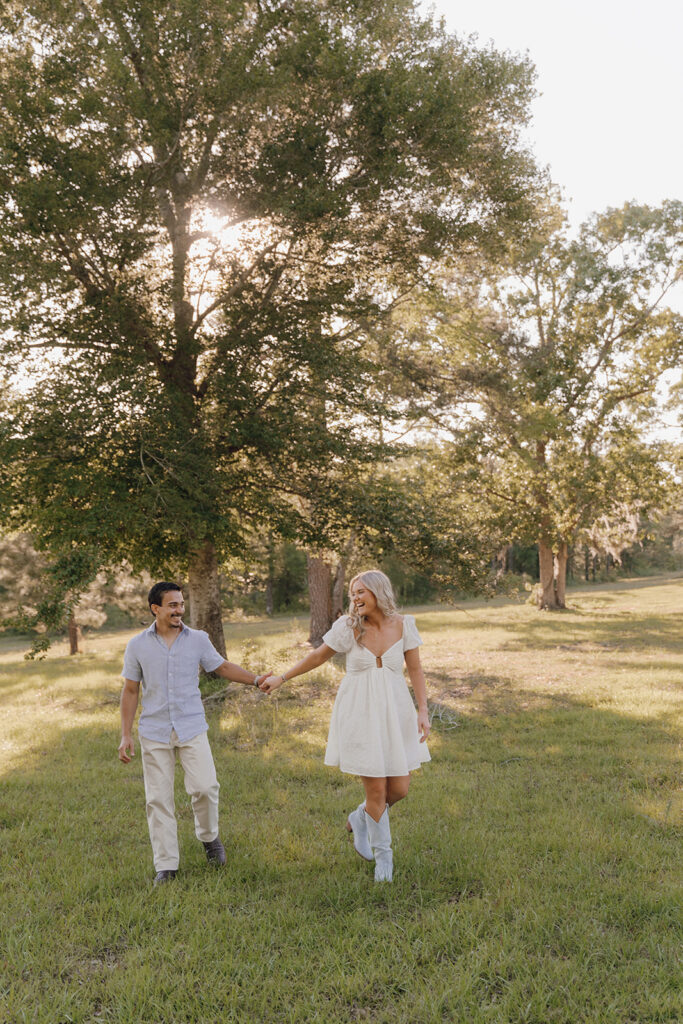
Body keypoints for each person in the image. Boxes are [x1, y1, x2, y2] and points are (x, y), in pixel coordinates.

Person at [259, 570, 430, 882]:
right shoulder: (349, 628)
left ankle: (361, 816)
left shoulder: (405, 625)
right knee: (377, 789)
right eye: (353, 593)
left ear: (380, 592)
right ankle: (384, 860)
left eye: (361, 592)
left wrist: (423, 710)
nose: (355, 598)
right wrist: (281, 678)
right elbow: (317, 657)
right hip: (360, 713)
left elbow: (416, 669)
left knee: (400, 789)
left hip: (396, 712)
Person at [118, 581, 270, 886]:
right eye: (172, 605)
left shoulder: (198, 639)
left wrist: (255, 680)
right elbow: (131, 690)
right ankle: (166, 865)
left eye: (181, 604)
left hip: (191, 726)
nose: (179, 610)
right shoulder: (137, 645)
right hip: (155, 731)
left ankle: (209, 837)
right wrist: (126, 734)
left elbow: (222, 667)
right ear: (155, 609)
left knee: (205, 787)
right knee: (158, 799)